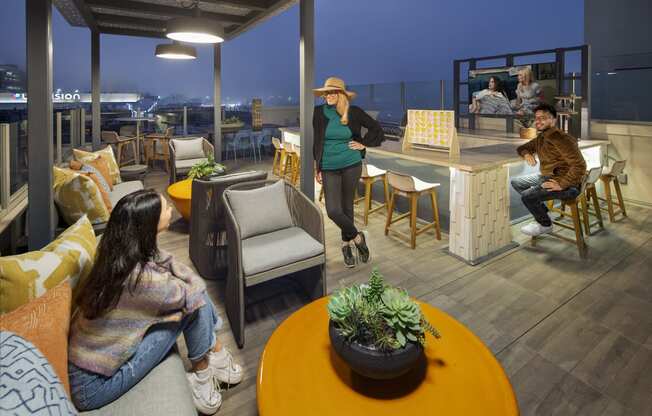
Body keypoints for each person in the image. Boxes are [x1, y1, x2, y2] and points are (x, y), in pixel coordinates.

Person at [68, 190, 242, 415]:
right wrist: (188, 281)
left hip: (91, 365)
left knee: (192, 297)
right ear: (148, 225)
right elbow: (194, 291)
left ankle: (215, 356)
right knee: (194, 306)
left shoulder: (118, 256)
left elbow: (168, 263)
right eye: (165, 208)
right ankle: (204, 374)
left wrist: (183, 278)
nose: (170, 208)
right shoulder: (140, 280)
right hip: (94, 386)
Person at [312, 77, 385, 267]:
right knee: (333, 210)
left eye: (332, 92)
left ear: (341, 94)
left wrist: (363, 143)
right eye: (326, 92)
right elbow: (317, 142)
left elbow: (377, 129)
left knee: (347, 207)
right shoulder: (318, 113)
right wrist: (317, 166)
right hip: (329, 166)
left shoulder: (354, 112)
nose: (328, 95)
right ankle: (358, 238)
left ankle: (346, 245)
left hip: (351, 164)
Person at [511, 103, 587, 236]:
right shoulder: (542, 137)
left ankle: (545, 225)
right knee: (516, 182)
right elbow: (522, 148)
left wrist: (562, 184)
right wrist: (527, 154)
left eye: (543, 118)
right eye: (537, 118)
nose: (538, 121)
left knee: (527, 196)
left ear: (553, 120)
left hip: (568, 186)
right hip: (548, 177)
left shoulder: (560, 138)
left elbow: (580, 165)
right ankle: (544, 214)